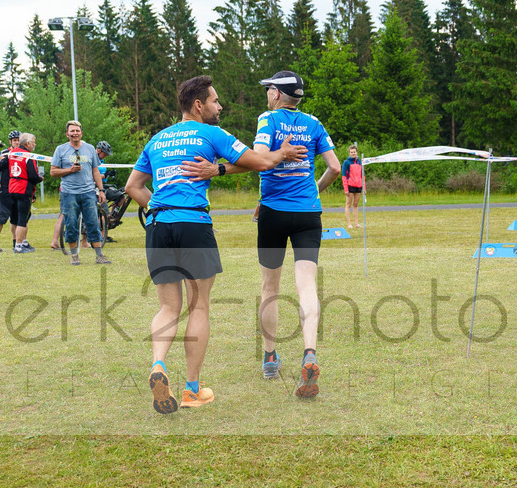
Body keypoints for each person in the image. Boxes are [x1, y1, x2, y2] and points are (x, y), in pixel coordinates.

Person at [126, 74, 307, 414]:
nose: (220, 106)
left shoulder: (158, 139)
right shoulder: (211, 133)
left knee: (167, 307)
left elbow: (133, 187)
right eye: (215, 101)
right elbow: (262, 161)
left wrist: (155, 207)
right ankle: (192, 390)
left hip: (158, 227)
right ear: (199, 105)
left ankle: (158, 366)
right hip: (193, 224)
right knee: (199, 307)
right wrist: (282, 151)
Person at [184, 70, 340, 398]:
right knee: (307, 285)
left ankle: (270, 356)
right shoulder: (314, 123)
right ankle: (309, 353)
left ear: (276, 94)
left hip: (273, 213)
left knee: (270, 287)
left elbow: (259, 161)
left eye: (269, 88)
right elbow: (335, 167)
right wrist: (313, 190)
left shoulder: (267, 120)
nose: (267, 93)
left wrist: (220, 168)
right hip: (308, 214)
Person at [50, 120, 110, 265]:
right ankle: (74, 255)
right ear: (67, 134)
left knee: (93, 223)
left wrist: (101, 190)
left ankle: (99, 255)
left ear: (81, 133)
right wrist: (69, 170)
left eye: (77, 130)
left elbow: (96, 171)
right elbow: (53, 172)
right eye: (72, 131)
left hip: (88, 192)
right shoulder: (60, 150)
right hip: (69, 193)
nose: (75, 133)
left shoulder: (89, 149)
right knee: (71, 224)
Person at [3, 133, 43, 253]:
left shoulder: (12, 153)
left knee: (14, 218)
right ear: (27, 143)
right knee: (22, 219)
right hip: (23, 188)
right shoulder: (29, 156)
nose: (35, 144)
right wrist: (40, 178)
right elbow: (32, 175)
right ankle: (19, 246)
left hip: (12, 188)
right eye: (34, 142)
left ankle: (20, 242)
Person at [0, 130, 22, 252]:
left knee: (16, 218)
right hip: (5, 189)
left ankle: (16, 242)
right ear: (11, 142)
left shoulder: (25, 154)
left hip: (19, 190)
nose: (17, 142)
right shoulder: (4, 153)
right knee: (1, 216)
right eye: (15, 140)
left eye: (19, 140)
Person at [342, 144, 365, 230]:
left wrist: (364, 187)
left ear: (357, 152)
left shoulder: (359, 162)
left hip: (358, 185)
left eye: (354, 152)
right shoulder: (346, 162)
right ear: (349, 153)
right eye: (351, 152)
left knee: (355, 204)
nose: (353, 154)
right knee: (348, 204)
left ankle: (356, 223)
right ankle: (349, 224)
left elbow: (363, 176)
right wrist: (346, 189)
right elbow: (344, 176)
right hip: (350, 185)